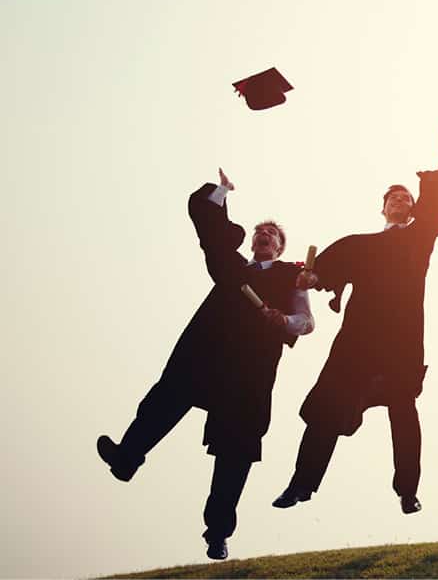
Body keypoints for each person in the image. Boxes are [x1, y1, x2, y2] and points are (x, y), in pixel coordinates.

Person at [97, 169, 314, 560]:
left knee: (236, 449)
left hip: (250, 369)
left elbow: (306, 322)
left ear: (280, 248)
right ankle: (126, 458)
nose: (264, 236)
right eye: (260, 232)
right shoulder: (232, 270)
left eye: (273, 235)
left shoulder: (291, 275)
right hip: (208, 352)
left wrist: (283, 320)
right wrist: (222, 191)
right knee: (165, 398)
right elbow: (210, 233)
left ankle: (217, 532)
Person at [273, 124, 438, 515]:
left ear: (413, 209)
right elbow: (324, 270)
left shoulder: (419, 239)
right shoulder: (360, 244)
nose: (400, 201)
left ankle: (407, 490)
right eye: (393, 197)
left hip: (401, 339)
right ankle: (301, 484)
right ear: (383, 208)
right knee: (327, 408)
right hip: (357, 340)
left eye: (406, 197)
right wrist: (314, 277)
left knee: (403, 412)